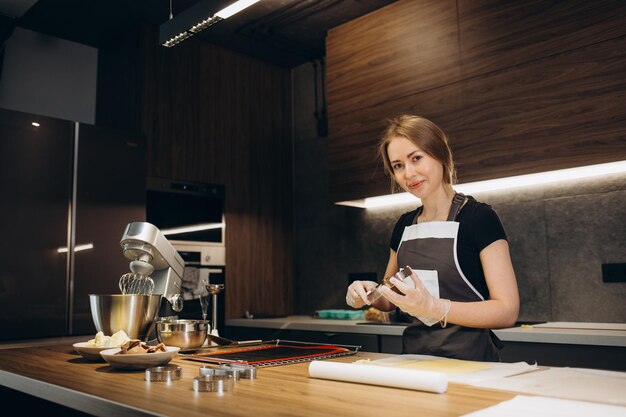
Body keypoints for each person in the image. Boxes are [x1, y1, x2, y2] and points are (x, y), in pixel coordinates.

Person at [345, 115, 519, 361]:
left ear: (440, 154)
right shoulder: (404, 226)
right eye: (398, 165)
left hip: (473, 364)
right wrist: (368, 294)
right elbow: (390, 298)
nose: (409, 173)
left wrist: (437, 308)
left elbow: (507, 310)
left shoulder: (479, 218)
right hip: (415, 362)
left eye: (416, 158)